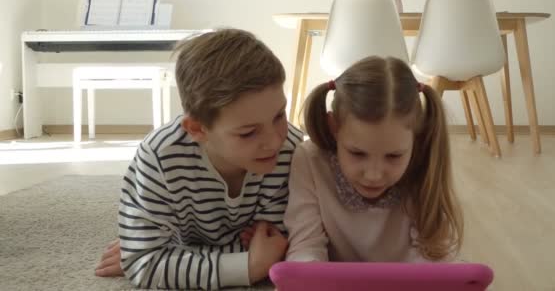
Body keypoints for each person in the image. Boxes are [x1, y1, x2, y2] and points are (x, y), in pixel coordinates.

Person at [94, 28, 303, 290]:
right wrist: (248, 266)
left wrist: (173, 255)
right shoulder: (160, 155)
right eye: (248, 133)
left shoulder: (293, 149)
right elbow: (143, 264)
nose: (275, 140)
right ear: (197, 129)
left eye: (279, 115)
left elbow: (282, 243)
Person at [283, 56, 463, 262]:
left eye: (394, 156)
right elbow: (305, 247)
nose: (374, 175)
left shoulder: (424, 162)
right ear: (334, 127)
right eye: (357, 153)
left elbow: (435, 257)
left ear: (416, 137)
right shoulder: (309, 160)